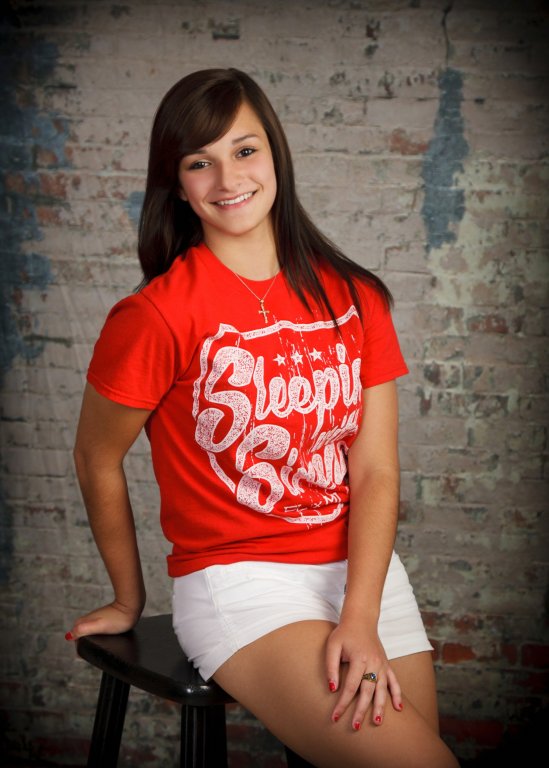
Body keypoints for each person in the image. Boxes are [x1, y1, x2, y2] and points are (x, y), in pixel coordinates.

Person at [66, 68, 458, 768]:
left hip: (363, 575)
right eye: (199, 162)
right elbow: (96, 456)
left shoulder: (356, 297)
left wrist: (360, 613)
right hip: (242, 584)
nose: (228, 179)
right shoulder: (156, 315)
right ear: (176, 183)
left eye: (244, 151)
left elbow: (374, 469)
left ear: (275, 154)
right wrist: (129, 598)